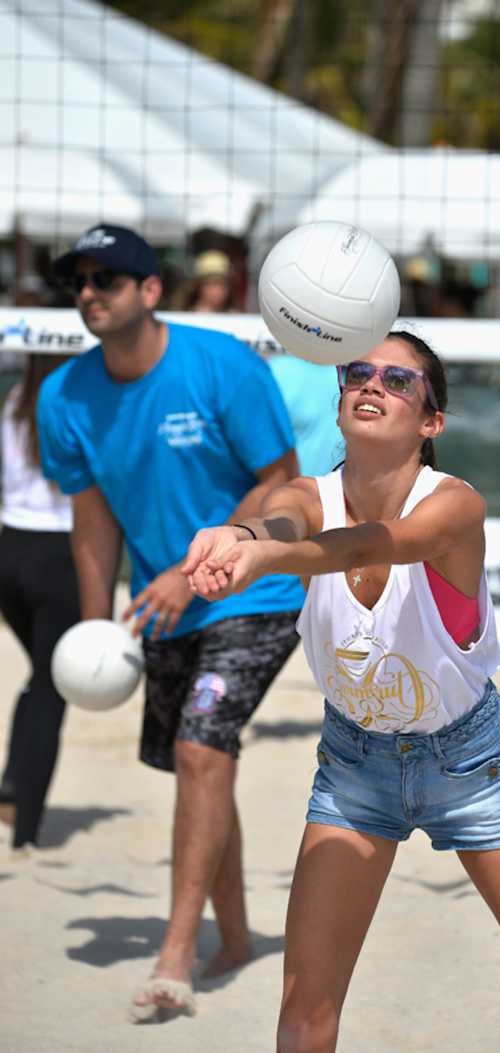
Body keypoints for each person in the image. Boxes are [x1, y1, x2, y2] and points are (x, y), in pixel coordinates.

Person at [184, 332, 500, 1052]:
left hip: (470, 767)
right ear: (339, 400)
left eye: (399, 380)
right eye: (359, 373)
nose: (372, 385)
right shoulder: (305, 496)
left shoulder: (456, 506)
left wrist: (268, 557)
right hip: (353, 767)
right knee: (304, 1020)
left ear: (432, 420)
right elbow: (277, 519)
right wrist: (239, 536)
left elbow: (373, 543)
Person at [36, 224, 303, 1021]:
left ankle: (174, 957)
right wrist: (96, 634)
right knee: (201, 763)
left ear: (151, 290)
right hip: (165, 604)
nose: (89, 293)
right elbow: (92, 523)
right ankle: (238, 937)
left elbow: (283, 483)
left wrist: (193, 571)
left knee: (199, 747)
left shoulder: (220, 364)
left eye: (107, 279)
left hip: (256, 587)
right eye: (79, 281)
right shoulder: (65, 395)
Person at [0, 353, 80, 856]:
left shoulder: (14, 401)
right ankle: (26, 827)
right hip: (59, 553)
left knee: (39, 679)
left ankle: (11, 785)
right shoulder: (76, 403)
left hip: (10, 548)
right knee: (52, 688)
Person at [170, 249, 237, 313]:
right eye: (212, 284)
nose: (218, 290)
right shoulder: (183, 316)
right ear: (199, 285)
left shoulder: (236, 317)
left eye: (222, 284)